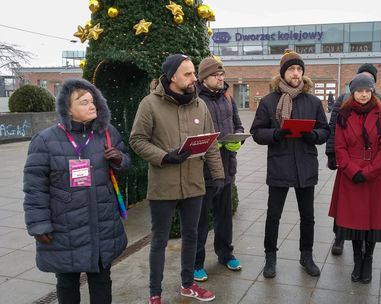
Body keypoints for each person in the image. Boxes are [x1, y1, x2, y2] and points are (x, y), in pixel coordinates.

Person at [23, 78, 131, 304]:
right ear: (67, 109)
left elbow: (126, 165)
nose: (92, 106)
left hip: (102, 224)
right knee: (67, 281)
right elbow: (35, 187)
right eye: (84, 102)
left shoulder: (107, 133)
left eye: (93, 101)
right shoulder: (45, 140)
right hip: (65, 227)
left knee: (102, 279)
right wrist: (38, 224)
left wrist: (120, 159)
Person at [130, 54, 225, 303]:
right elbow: (137, 140)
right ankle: (155, 293)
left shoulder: (199, 105)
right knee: (159, 240)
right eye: (188, 74)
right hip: (164, 185)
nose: (194, 78)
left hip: (194, 184)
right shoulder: (150, 104)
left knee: (192, 236)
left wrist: (218, 176)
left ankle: (187, 284)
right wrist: (164, 157)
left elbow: (211, 144)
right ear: (173, 77)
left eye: (194, 73)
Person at [250, 49, 330, 279]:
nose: (296, 73)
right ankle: (270, 258)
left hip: (305, 165)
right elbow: (256, 132)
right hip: (280, 164)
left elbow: (325, 130)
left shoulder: (313, 101)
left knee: (308, 216)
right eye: (291, 69)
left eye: (299, 69)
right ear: (283, 73)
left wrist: (312, 136)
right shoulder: (268, 101)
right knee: (273, 215)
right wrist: (277, 133)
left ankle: (306, 256)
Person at [329, 74, 381, 283]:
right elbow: (339, 146)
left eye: (367, 91)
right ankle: (357, 260)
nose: (363, 95)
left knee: (372, 221)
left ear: (372, 92)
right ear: (353, 92)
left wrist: (369, 172)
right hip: (350, 175)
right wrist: (351, 170)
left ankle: (368, 260)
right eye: (359, 91)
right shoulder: (343, 114)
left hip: (375, 175)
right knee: (353, 222)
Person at [193, 56, 244, 282]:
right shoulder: (194, 99)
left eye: (222, 74)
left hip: (227, 167)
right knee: (201, 220)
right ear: (204, 77)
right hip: (203, 171)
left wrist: (238, 139)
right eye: (216, 75)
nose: (221, 78)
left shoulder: (227, 97)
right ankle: (196, 262)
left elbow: (238, 123)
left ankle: (226, 253)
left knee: (224, 216)